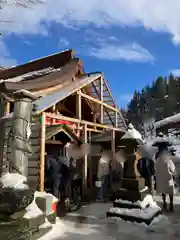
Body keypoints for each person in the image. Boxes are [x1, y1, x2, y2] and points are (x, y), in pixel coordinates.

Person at [155, 147, 176, 212]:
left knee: (163, 192)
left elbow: (155, 168)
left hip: (161, 178)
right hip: (168, 178)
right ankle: (171, 205)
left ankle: (164, 203)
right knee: (170, 192)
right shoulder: (168, 160)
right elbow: (173, 168)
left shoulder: (157, 160)